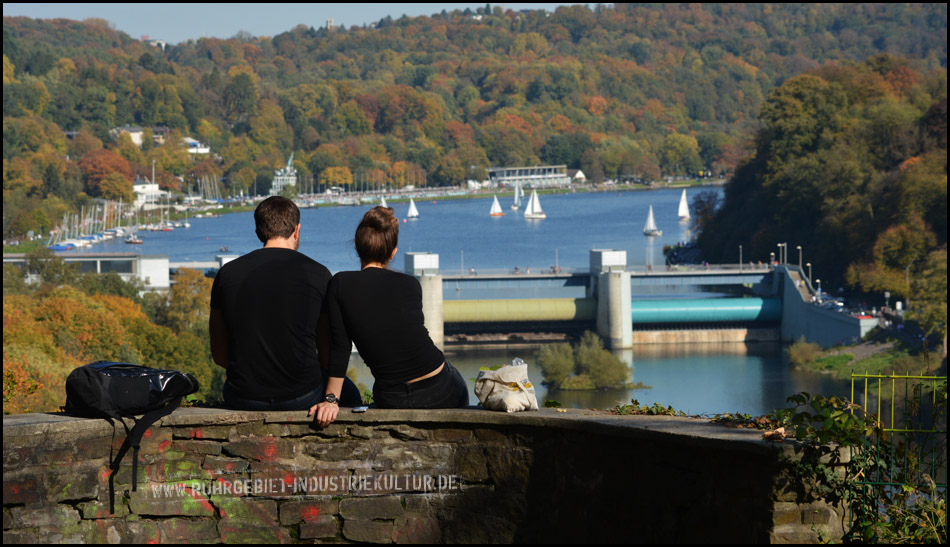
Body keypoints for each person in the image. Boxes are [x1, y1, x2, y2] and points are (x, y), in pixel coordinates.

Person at [209, 196, 360, 426]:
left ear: (259, 232)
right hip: (302, 394)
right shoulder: (318, 274)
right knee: (350, 395)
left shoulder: (227, 275)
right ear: (297, 231)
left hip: (242, 395)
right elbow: (328, 354)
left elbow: (220, 355)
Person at [327, 206, 469, 409]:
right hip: (442, 389)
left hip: (392, 396)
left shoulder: (340, 284)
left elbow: (340, 347)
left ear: (358, 247)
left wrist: (331, 400)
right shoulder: (410, 284)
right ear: (393, 253)